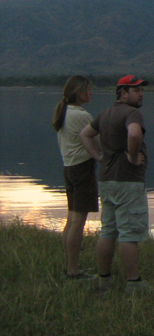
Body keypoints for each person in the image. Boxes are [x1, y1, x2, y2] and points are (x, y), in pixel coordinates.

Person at [79, 75, 150, 293]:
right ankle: (133, 283)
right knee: (129, 233)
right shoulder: (132, 113)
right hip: (128, 181)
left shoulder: (106, 114)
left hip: (107, 179)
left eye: (141, 90)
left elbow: (85, 134)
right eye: (135, 90)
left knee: (108, 230)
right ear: (123, 93)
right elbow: (135, 133)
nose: (141, 94)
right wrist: (132, 156)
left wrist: (98, 157)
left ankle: (104, 280)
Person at [53, 75, 97, 280]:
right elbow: (98, 140)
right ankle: (73, 270)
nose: (91, 92)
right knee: (78, 221)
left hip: (69, 168)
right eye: (88, 89)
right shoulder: (81, 116)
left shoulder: (65, 112)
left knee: (72, 219)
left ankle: (70, 265)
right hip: (82, 169)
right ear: (79, 92)